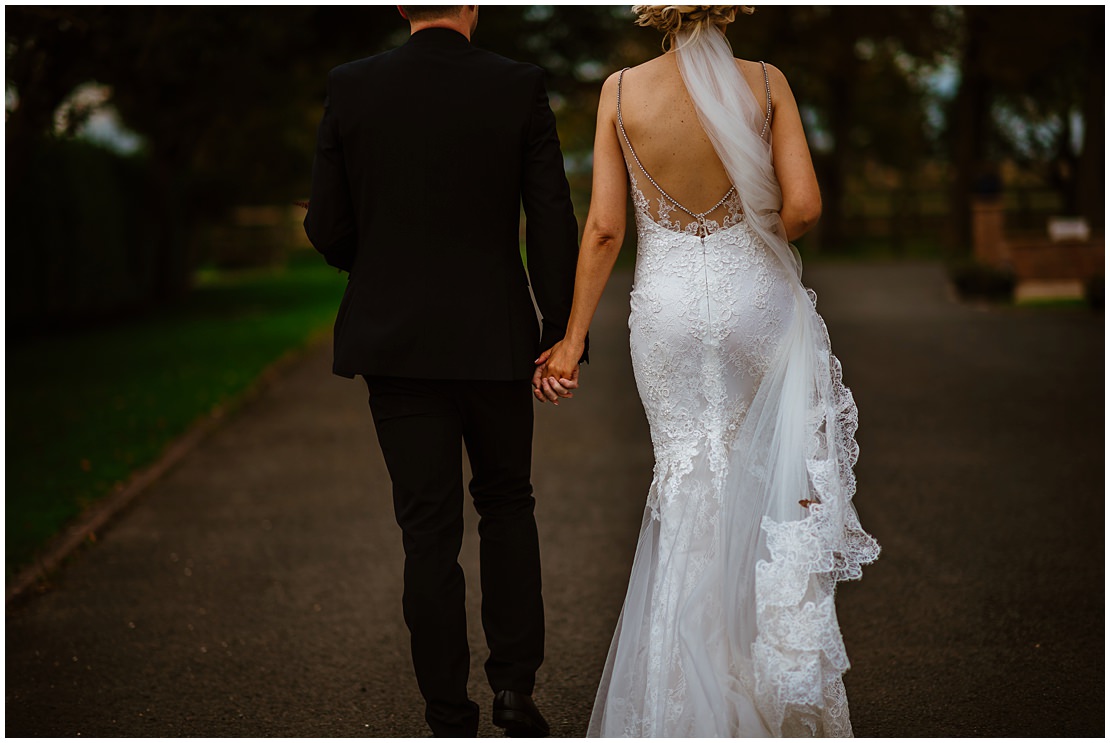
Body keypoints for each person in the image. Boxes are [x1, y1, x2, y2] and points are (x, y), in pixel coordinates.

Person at [535, 5, 879, 737]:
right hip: (755, 297)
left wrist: (570, 340)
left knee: (687, 477)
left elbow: (602, 228)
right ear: (729, 7)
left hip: (665, 311)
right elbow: (806, 207)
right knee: (778, 488)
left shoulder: (621, 94)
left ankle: (685, 705)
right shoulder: (765, 82)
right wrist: (741, 240)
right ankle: (775, 692)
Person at [304, 5, 584, 737]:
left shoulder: (351, 86)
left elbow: (326, 225)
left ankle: (447, 712)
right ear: (473, 4)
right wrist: (561, 333)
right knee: (507, 503)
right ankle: (515, 691)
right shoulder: (517, 84)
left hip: (395, 344)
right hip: (496, 337)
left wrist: (378, 265)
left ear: (401, 4)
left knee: (427, 530)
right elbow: (551, 213)